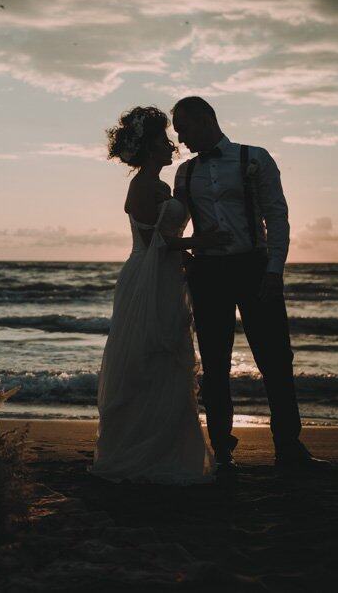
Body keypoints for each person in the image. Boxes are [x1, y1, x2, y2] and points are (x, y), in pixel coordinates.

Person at [171, 96, 330, 473]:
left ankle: (288, 447)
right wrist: (185, 255)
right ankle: (223, 452)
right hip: (208, 274)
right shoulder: (185, 173)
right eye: (177, 131)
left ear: (206, 119)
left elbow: (277, 216)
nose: (181, 139)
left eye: (185, 128)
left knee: (276, 360)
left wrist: (275, 270)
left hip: (253, 267)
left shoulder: (255, 157)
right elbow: (174, 227)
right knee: (214, 363)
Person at [91, 106, 227, 484]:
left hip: (166, 276)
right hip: (147, 277)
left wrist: (192, 258)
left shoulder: (160, 185)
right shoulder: (142, 186)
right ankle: (140, 449)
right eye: (166, 141)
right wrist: (202, 242)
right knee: (147, 355)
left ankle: (167, 447)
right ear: (151, 146)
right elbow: (156, 242)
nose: (173, 146)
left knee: (169, 359)